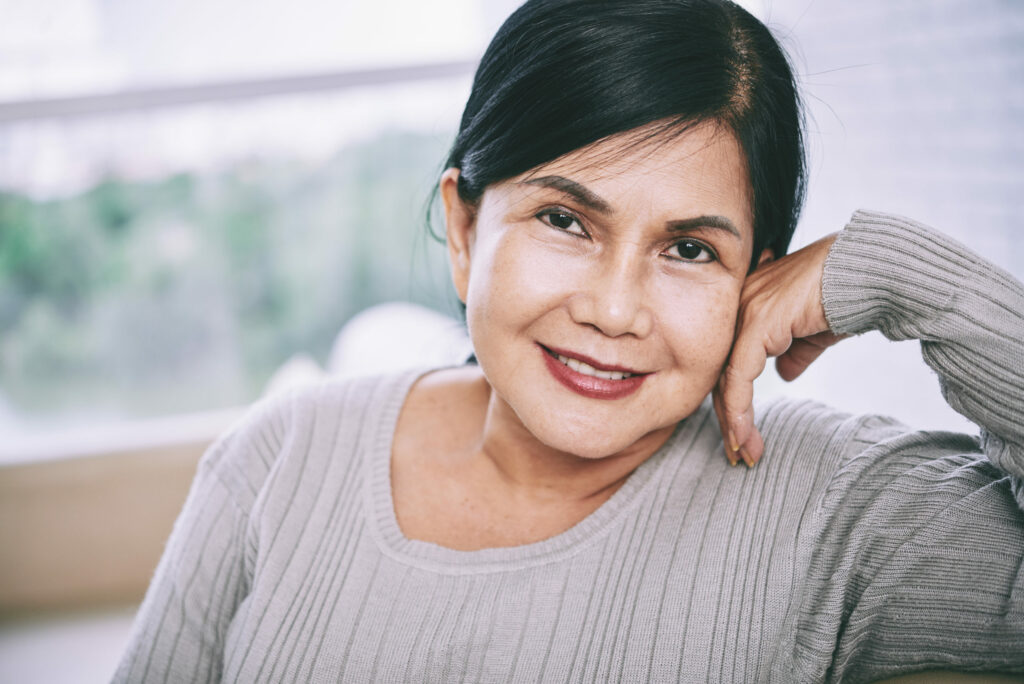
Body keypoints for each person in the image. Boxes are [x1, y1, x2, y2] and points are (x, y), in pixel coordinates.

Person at [114, 1, 1024, 682]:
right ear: (465, 231)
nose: (615, 310)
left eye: (690, 249)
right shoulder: (282, 453)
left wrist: (905, 278)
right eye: (565, 220)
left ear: (757, 285)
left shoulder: (843, 508)